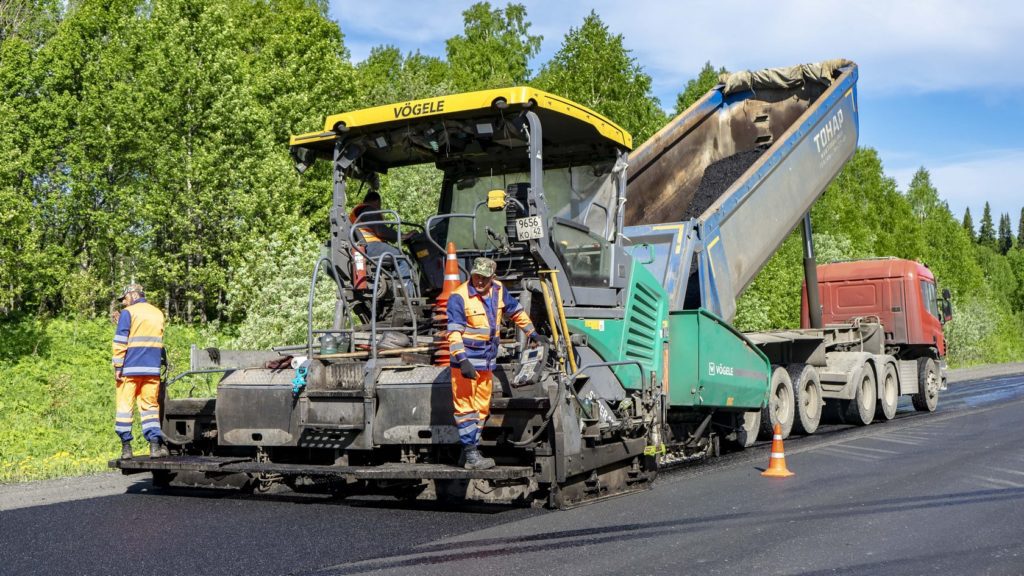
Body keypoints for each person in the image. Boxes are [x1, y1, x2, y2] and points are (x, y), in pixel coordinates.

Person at [446, 258, 549, 470]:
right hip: (466, 364)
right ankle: (471, 454)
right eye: (476, 276)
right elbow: (454, 333)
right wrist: (463, 361)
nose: (480, 281)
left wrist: (533, 334)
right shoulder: (459, 296)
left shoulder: (499, 290)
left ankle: (469, 451)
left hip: (486, 362)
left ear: (493, 277)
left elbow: (516, 312)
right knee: (466, 408)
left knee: (482, 408)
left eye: (484, 278)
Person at [112, 283, 169, 459]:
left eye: (125, 299)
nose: (124, 303)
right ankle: (154, 446)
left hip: (129, 370)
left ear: (133, 295)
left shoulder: (129, 313)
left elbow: (121, 341)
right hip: (151, 370)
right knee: (150, 408)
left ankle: (126, 448)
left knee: (124, 408)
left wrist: (118, 366)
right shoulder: (157, 313)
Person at [349, 191, 416, 295]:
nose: (379, 209)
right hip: (371, 246)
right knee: (404, 258)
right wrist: (403, 236)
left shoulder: (361, 211)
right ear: (376, 201)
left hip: (368, 246)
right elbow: (381, 231)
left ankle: (396, 289)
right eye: (379, 205)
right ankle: (407, 295)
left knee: (399, 256)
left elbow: (380, 231)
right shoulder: (368, 210)